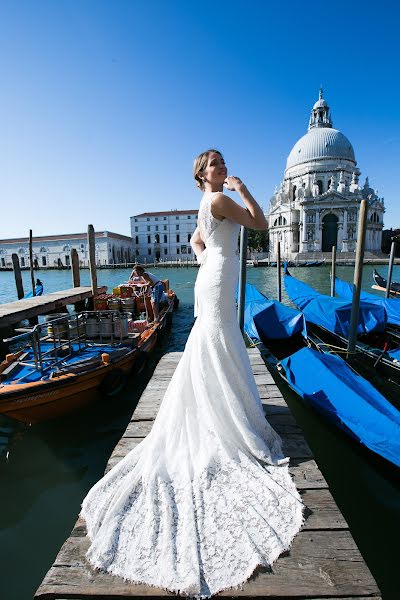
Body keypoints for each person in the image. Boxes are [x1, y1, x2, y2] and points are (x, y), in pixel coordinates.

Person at [81, 149, 303, 597]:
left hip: (213, 276)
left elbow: (197, 245)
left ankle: (220, 403)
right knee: (219, 337)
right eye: (217, 165)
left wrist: (207, 251)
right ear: (203, 174)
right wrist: (244, 189)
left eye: (225, 165)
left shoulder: (208, 207)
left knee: (213, 338)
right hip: (219, 279)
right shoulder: (220, 199)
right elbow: (259, 224)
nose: (224, 168)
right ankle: (228, 409)